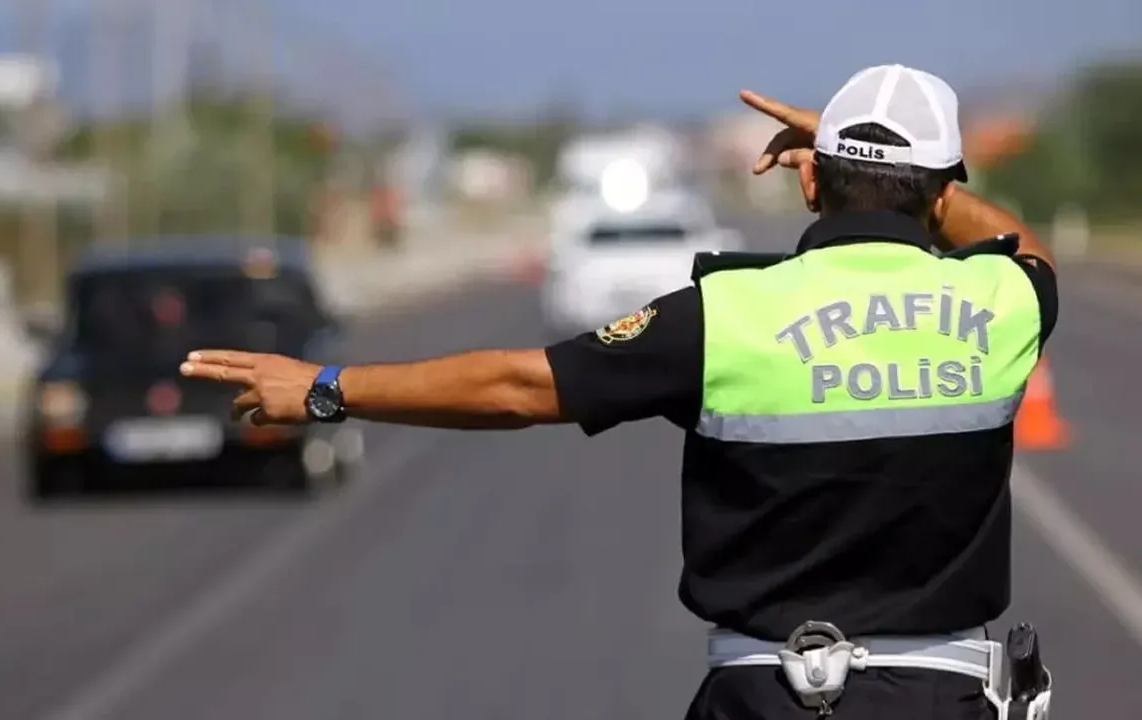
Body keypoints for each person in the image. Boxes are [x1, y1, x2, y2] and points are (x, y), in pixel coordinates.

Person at [180, 64, 1057, 720]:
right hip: (946, 699)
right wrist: (915, 184)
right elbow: (1022, 246)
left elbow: (521, 386)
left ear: (811, 179)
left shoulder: (723, 313)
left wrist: (327, 389)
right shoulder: (1004, 300)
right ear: (943, 192)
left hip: (765, 698)